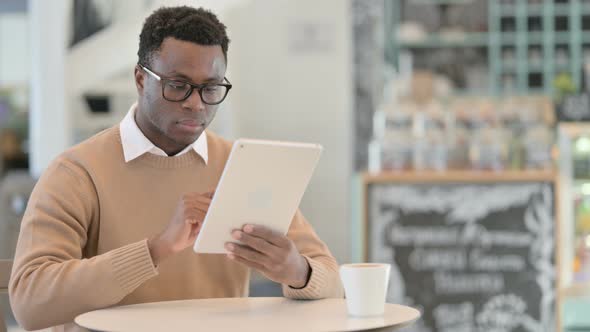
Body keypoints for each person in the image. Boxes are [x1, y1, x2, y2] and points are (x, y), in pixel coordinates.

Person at [9, 6, 343, 331]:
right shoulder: (76, 172)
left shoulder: (240, 165)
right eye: (178, 85)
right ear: (141, 79)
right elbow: (30, 303)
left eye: (211, 88)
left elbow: (333, 282)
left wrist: (298, 271)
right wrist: (155, 250)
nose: (195, 103)